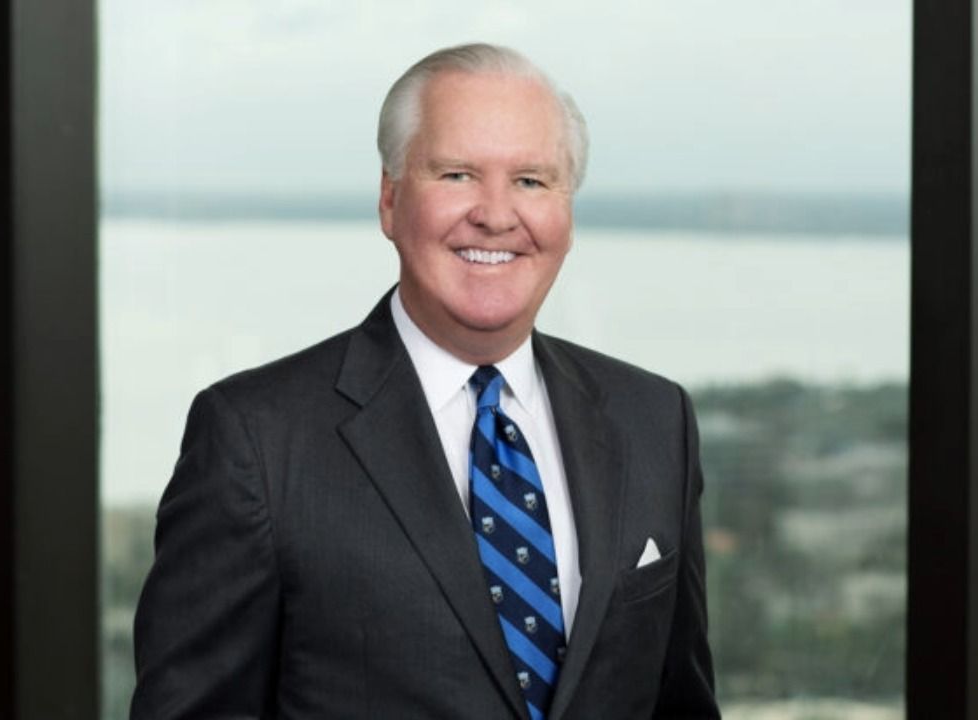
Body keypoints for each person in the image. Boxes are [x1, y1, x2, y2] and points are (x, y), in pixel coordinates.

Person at [131, 43, 720, 720]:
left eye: (531, 180)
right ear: (389, 199)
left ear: (568, 211)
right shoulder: (255, 441)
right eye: (458, 175)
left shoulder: (655, 421)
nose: (497, 215)